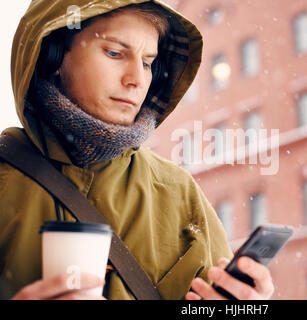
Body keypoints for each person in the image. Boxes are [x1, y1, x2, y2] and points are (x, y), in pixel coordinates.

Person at [0, 0, 274, 300]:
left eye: (147, 62)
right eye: (115, 53)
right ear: (53, 55)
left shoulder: (179, 192)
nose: (137, 79)